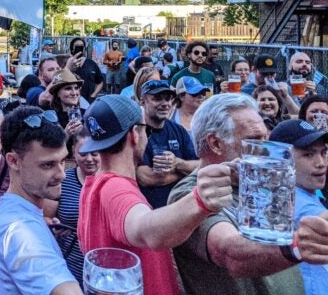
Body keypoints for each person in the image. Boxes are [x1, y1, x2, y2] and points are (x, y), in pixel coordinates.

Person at [167, 93, 328, 295]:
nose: (266, 149)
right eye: (254, 140)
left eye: (266, 138)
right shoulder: (192, 192)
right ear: (216, 143)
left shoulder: (259, 182)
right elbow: (231, 254)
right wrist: (297, 247)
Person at [78, 94, 234, 295]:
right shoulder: (116, 189)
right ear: (135, 133)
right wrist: (200, 200)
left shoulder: (92, 184)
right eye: (147, 130)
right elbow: (145, 230)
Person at [0, 106, 83, 294]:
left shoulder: (14, 212)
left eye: (62, 161)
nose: (62, 175)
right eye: (48, 165)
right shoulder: (21, 232)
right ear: (13, 161)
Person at [269, 119, 328, 295]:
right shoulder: (290, 197)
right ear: (281, 159)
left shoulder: (309, 191)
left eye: (324, 153)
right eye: (308, 155)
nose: (321, 163)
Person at [43, 129, 99, 283]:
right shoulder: (62, 182)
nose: (89, 159)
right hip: (68, 269)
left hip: (102, 270)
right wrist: (54, 226)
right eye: (83, 153)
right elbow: (46, 218)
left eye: (94, 153)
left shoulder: (111, 183)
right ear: (73, 151)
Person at [135, 80, 199, 209]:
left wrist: (177, 163)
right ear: (142, 101)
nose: (165, 104)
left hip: (181, 208)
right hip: (150, 211)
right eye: (157, 99)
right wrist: (185, 172)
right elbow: (146, 177)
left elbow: (199, 165)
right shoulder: (137, 132)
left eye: (168, 99)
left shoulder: (178, 130)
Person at [65, 37, 104, 103]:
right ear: (72, 48)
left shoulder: (91, 63)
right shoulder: (66, 63)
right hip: (70, 102)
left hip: (89, 102)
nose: (80, 48)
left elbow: (100, 82)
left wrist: (93, 95)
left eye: (82, 46)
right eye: (77, 46)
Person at [48, 70, 86, 136]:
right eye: (68, 88)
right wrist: (66, 135)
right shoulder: (51, 119)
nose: (74, 93)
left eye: (76, 88)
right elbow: (49, 146)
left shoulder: (87, 114)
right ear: (57, 93)